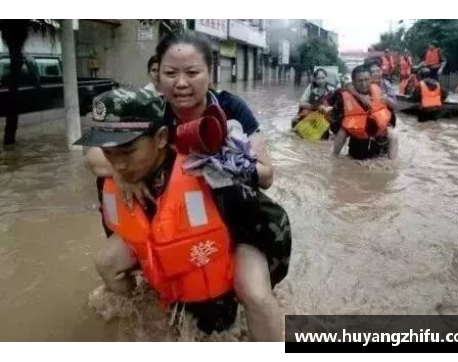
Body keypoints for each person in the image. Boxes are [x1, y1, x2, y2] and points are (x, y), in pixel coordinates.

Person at [83, 31, 291, 342]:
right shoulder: (152, 111)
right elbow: (94, 155)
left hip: (230, 215)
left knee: (255, 294)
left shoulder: (232, 110)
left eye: (192, 72)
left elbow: (267, 175)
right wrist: (122, 172)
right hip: (171, 217)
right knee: (107, 262)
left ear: (210, 72)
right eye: (170, 73)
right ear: (157, 74)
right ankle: (136, 323)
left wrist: (230, 163)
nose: (181, 83)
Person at [331, 65, 398, 160]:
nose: (364, 84)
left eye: (367, 80)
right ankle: (334, 157)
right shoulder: (343, 97)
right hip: (358, 138)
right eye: (360, 81)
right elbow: (334, 121)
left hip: (378, 140)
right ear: (353, 82)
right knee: (342, 131)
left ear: (371, 79)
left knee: (393, 134)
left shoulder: (380, 94)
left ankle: (392, 164)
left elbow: (392, 116)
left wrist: (389, 101)